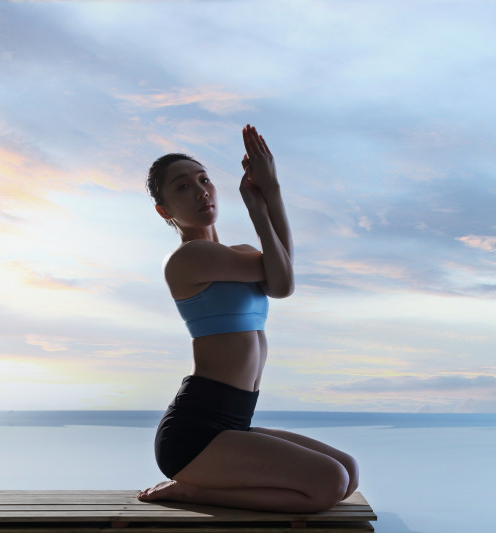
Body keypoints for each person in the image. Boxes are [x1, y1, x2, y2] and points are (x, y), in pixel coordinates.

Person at [137, 124, 359, 512]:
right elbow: (285, 279)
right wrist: (263, 202)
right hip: (196, 435)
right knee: (328, 485)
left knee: (348, 472)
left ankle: (204, 484)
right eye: (182, 186)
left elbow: (279, 277)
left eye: (203, 179)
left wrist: (270, 192)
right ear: (164, 210)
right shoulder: (188, 258)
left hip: (232, 422)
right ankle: (194, 490)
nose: (200, 189)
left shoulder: (238, 254)